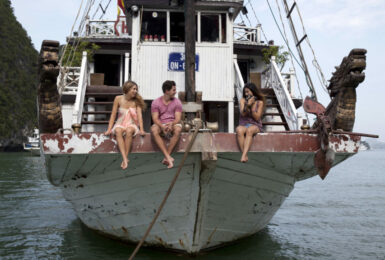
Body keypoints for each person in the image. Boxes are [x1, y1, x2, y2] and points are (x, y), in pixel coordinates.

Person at [105, 81, 146, 169]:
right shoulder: (118, 99)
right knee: (117, 130)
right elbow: (113, 115)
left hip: (132, 124)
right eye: (133, 89)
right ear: (127, 89)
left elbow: (139, 116)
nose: (135, 91)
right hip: (120, 123)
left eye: (136, 89)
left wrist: (142, 129)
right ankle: (125, 158)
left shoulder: (137, 101)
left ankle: (125, 158)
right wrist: (109, 129)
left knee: (129, 131)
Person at [151, 80, 183, 169]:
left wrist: (172, 124)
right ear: (167, 91)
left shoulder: (177, 102)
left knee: (178, 129)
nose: (175, 92)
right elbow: (155, 119)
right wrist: (162, 126)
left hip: (173, 123)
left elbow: (177, 118)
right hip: (160, 123)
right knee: (154, 130)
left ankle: (167, 156)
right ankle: (168, 157)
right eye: (173, 90)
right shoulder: (156, 102)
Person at [236, 82, 265, 163]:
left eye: (248, 91)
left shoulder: (260, 102)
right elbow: (243, 113)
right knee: (239, 130)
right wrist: (247, 105)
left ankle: (243, 155)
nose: (246, 94)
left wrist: (252, 106)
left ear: (253, 91)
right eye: (245, 92)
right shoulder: (242, 100)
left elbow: (257, 117)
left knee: (250, 130)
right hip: (244, 124)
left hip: (255, 125)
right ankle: (244, 155)